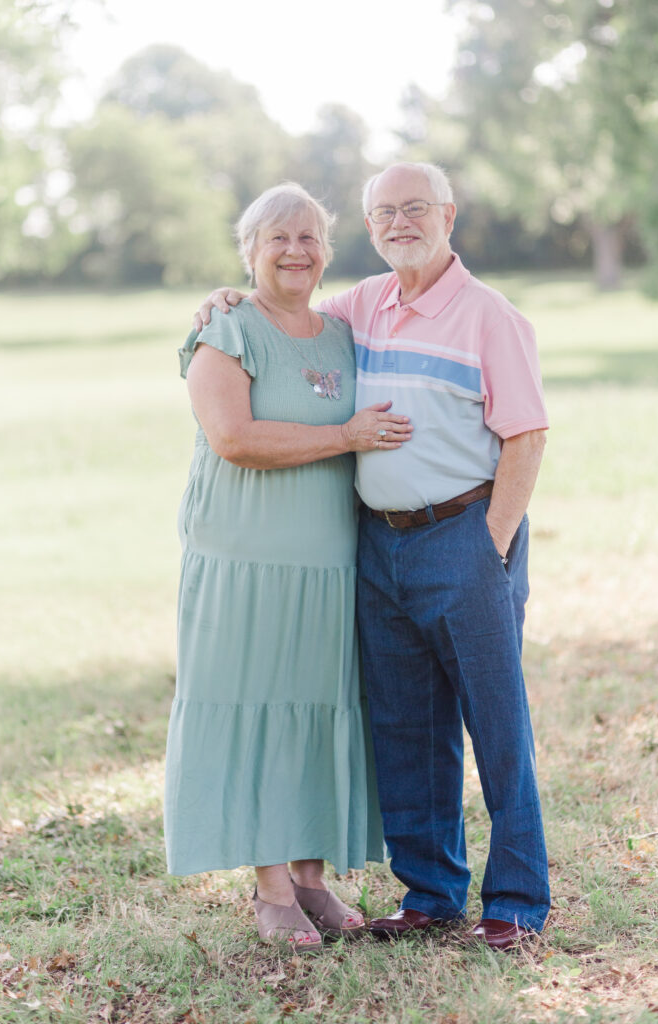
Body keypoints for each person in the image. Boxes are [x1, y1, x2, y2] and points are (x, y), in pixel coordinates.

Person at [196, 162, 551, 950]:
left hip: (463, 535)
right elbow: (284, 309)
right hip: (378, 543)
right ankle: (430, 892)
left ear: (447, 215)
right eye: (381, 211)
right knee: (405, 725)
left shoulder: (492, 317)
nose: (397, 222)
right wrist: (225, 300)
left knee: (495, 725)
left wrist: (486, 546)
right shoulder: (361, 306)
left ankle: (518, 900)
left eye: (414, 207)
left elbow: (526, 434)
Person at [164, 182, 413, 952]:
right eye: (277, 237)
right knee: (254, 710)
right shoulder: (226, 330)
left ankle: (309, 876)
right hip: (244, 561)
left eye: (308, 237)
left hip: (328, 562)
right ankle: (270, 884)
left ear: (327, 252)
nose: (295, 250)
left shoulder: (339, 332)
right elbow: (235, 438)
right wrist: (346, 437)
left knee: (315, 712)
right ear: (249, 250)